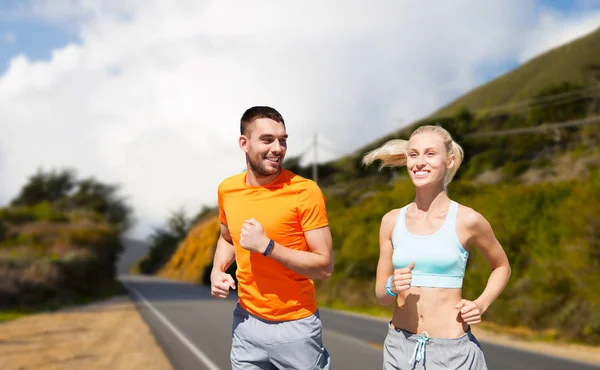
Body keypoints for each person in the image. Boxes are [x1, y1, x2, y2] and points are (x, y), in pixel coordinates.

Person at [362, 125, 511, 370]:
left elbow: (501, 266)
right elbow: (382, 296)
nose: (419, 162)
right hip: (400, 348)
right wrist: (391, 285)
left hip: (452, 355)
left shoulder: (468, 220)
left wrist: (480, 304)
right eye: (413, 154)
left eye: (430, 154)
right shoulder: (391, 221)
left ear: (449, 160)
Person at [210, 106, 333, 370]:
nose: (278, 148)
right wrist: (217, 270)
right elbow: (228, 238)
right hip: (245, 323)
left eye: (283, 140)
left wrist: (268, 247)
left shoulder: (305, 191)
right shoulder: (228, 189)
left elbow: (324, 266)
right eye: (267, 140)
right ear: (244, 143)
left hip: (295, 328)